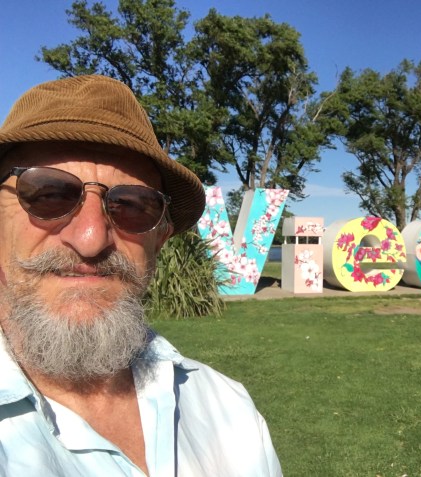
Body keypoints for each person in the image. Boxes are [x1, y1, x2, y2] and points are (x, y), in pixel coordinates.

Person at [0, 75, 283, 476]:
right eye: (49, 194)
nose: (91, 239)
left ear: (159, 239)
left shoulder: (229, 412)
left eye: (132, 205)